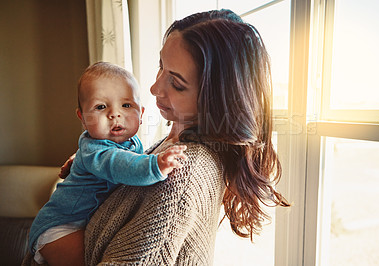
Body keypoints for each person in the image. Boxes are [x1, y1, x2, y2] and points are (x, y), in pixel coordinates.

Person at [23, 9, 290, 266]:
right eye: (161, 67)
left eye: (176, 82)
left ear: (216, 99)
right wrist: (90, 162)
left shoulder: (185, 172)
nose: (153, 87)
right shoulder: (169, 143)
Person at [27, 62, 187, 265]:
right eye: (101, 107)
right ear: (82, 119)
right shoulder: (94, 150)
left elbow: (130, 158)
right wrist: (156, 165)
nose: (114, 114)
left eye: (126, 105)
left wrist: (77, 162)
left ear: (141, 113)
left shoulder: (132, 142)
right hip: (60, 227)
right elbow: (121, 164)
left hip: (84, 222)